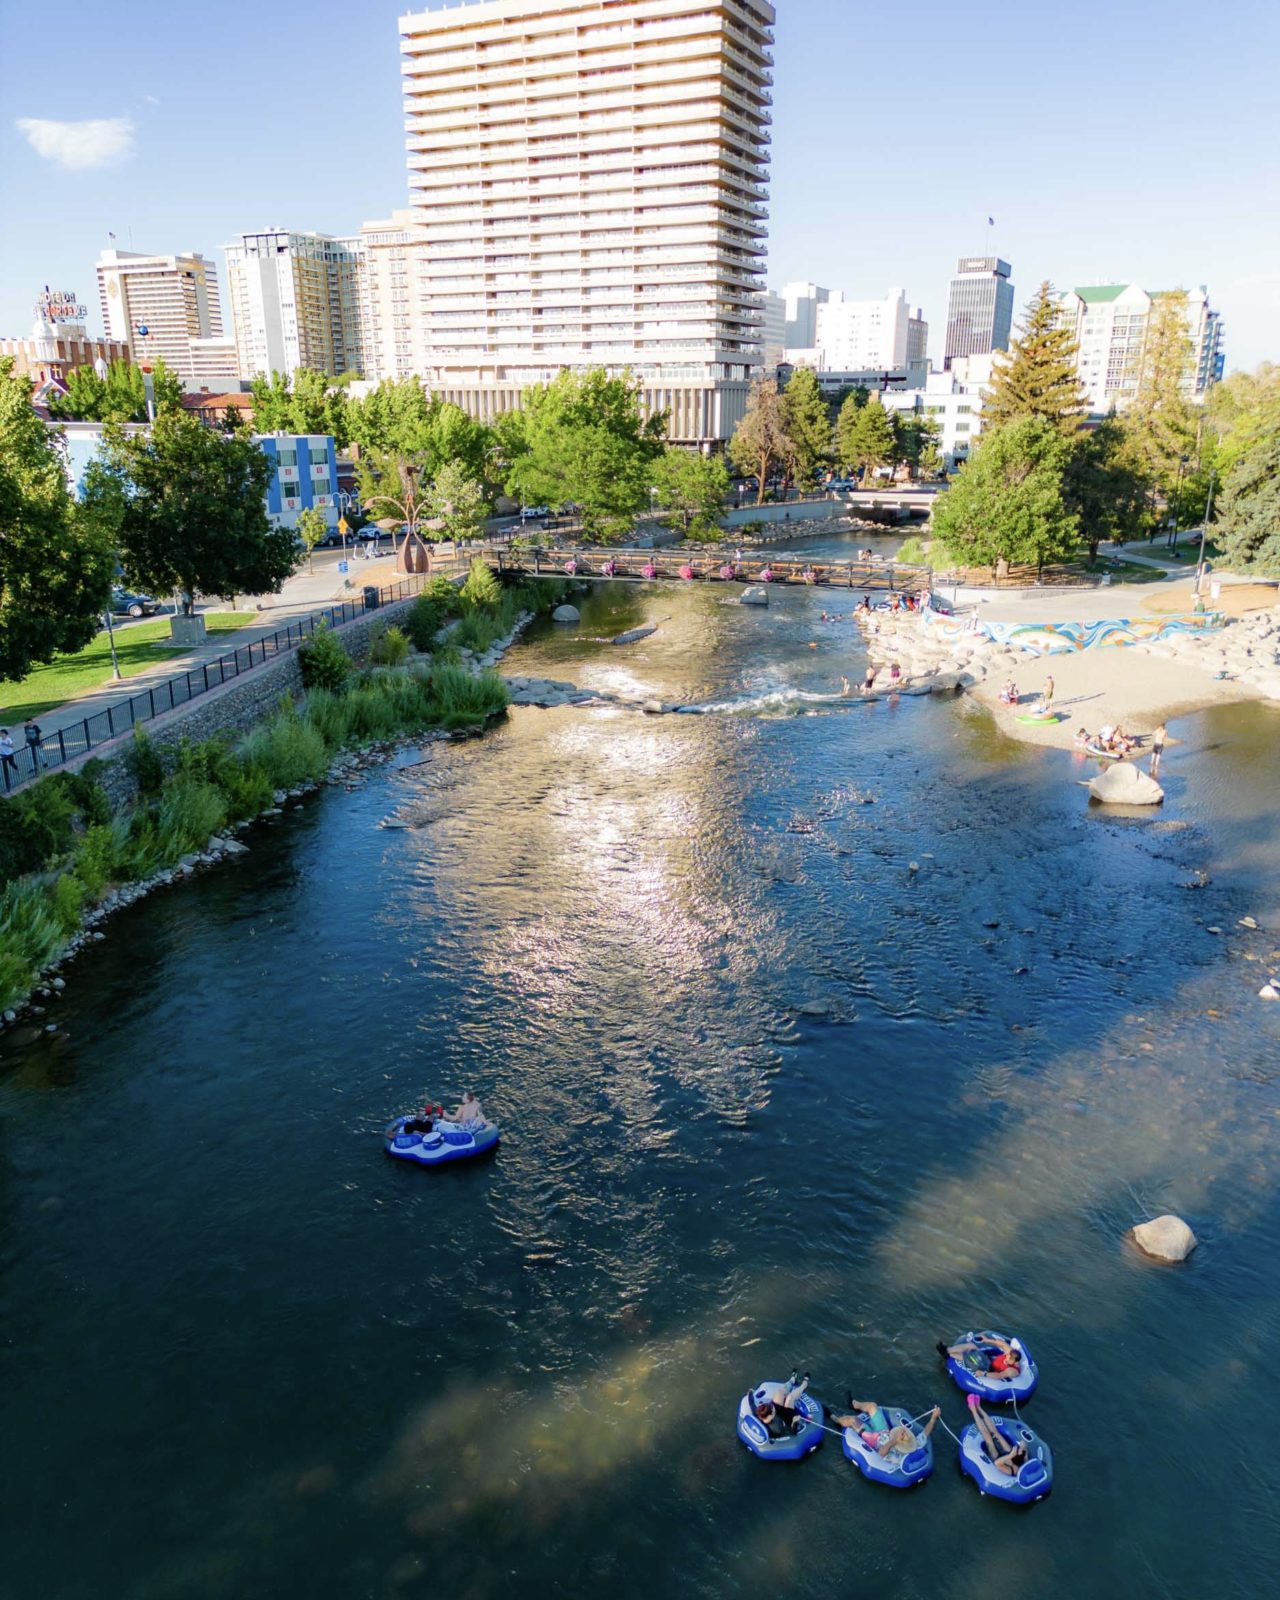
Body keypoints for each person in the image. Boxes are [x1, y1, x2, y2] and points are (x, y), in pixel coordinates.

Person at [831, 1398, 941, 1458]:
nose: (905, 1433)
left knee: (852, 1420)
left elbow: (881, 1453)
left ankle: (835, 1420)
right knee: (873, 1406)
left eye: (903, 1435)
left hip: (874, 1440)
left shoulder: (898, 1455)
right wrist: (933, 1417)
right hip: (884, 1431)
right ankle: (854, 1404)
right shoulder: (916, 1444)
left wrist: (894, 1440)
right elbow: (926, 1432)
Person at [965, 1395, 1029, 1476]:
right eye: (1018, 1450)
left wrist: (1010, 1455)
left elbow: (997, 1463)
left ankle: (973, 1409)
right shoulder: (1024, 1460)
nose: (1017, 1448)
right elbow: (1024, 1445)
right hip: (1009, 1454)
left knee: (987, 1437)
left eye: (1017, 1450)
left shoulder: (1012, 1470)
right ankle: (979, 1407)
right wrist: (1022, 1447)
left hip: (998, 1458)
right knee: (996, 1433)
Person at [937, 1335, 1022, 1378]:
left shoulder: (1012, 1371)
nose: (1007, 1357)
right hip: (989, 1360)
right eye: (1007, 1355)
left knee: (973, 1359)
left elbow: (1000, 1375)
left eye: (1009, 1358)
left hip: (988, 1369)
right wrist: (987, 1340)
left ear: (1015, 1362)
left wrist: (984, 1374)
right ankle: (947, 1349)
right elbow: (1002, 1344)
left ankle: (948, 1355)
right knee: (971, 1345)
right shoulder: (1010, 1353)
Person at [754, 1373, 810, 1438]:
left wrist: (750, 1394)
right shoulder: (776, 1429)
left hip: (778, 1413)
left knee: (779, 1392)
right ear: (771, 1414)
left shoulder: (760, 1414)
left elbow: (752, 1405)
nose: (772, 1406)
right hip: (787, 1420)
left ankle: (792, 1380)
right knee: (790, 1397)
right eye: (772, 1408)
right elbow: (792, 1433)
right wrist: (795, 1423)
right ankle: (804, 1384)